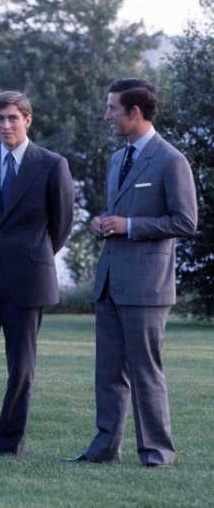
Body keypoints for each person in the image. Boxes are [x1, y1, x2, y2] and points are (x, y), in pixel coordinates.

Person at [67, 79, 197, 467]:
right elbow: (122, 213)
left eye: (112, 108)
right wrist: (105, 223)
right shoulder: (115, 159)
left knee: (145, 373)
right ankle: (104, 449)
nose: (107, 115)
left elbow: (185, 222)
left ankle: (157, 452)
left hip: (146, 287)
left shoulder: (171, 160)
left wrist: (129, 226)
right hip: (110, 282)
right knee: (107, 373)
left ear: (134, 113)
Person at [0, 91, 74, 455]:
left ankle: (8, 445)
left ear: (27, 120)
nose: (5, 125)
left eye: (12, 119)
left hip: (28, 276)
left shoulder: (52, 165)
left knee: (21, 367)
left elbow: (62, 224)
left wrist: (34, 256)